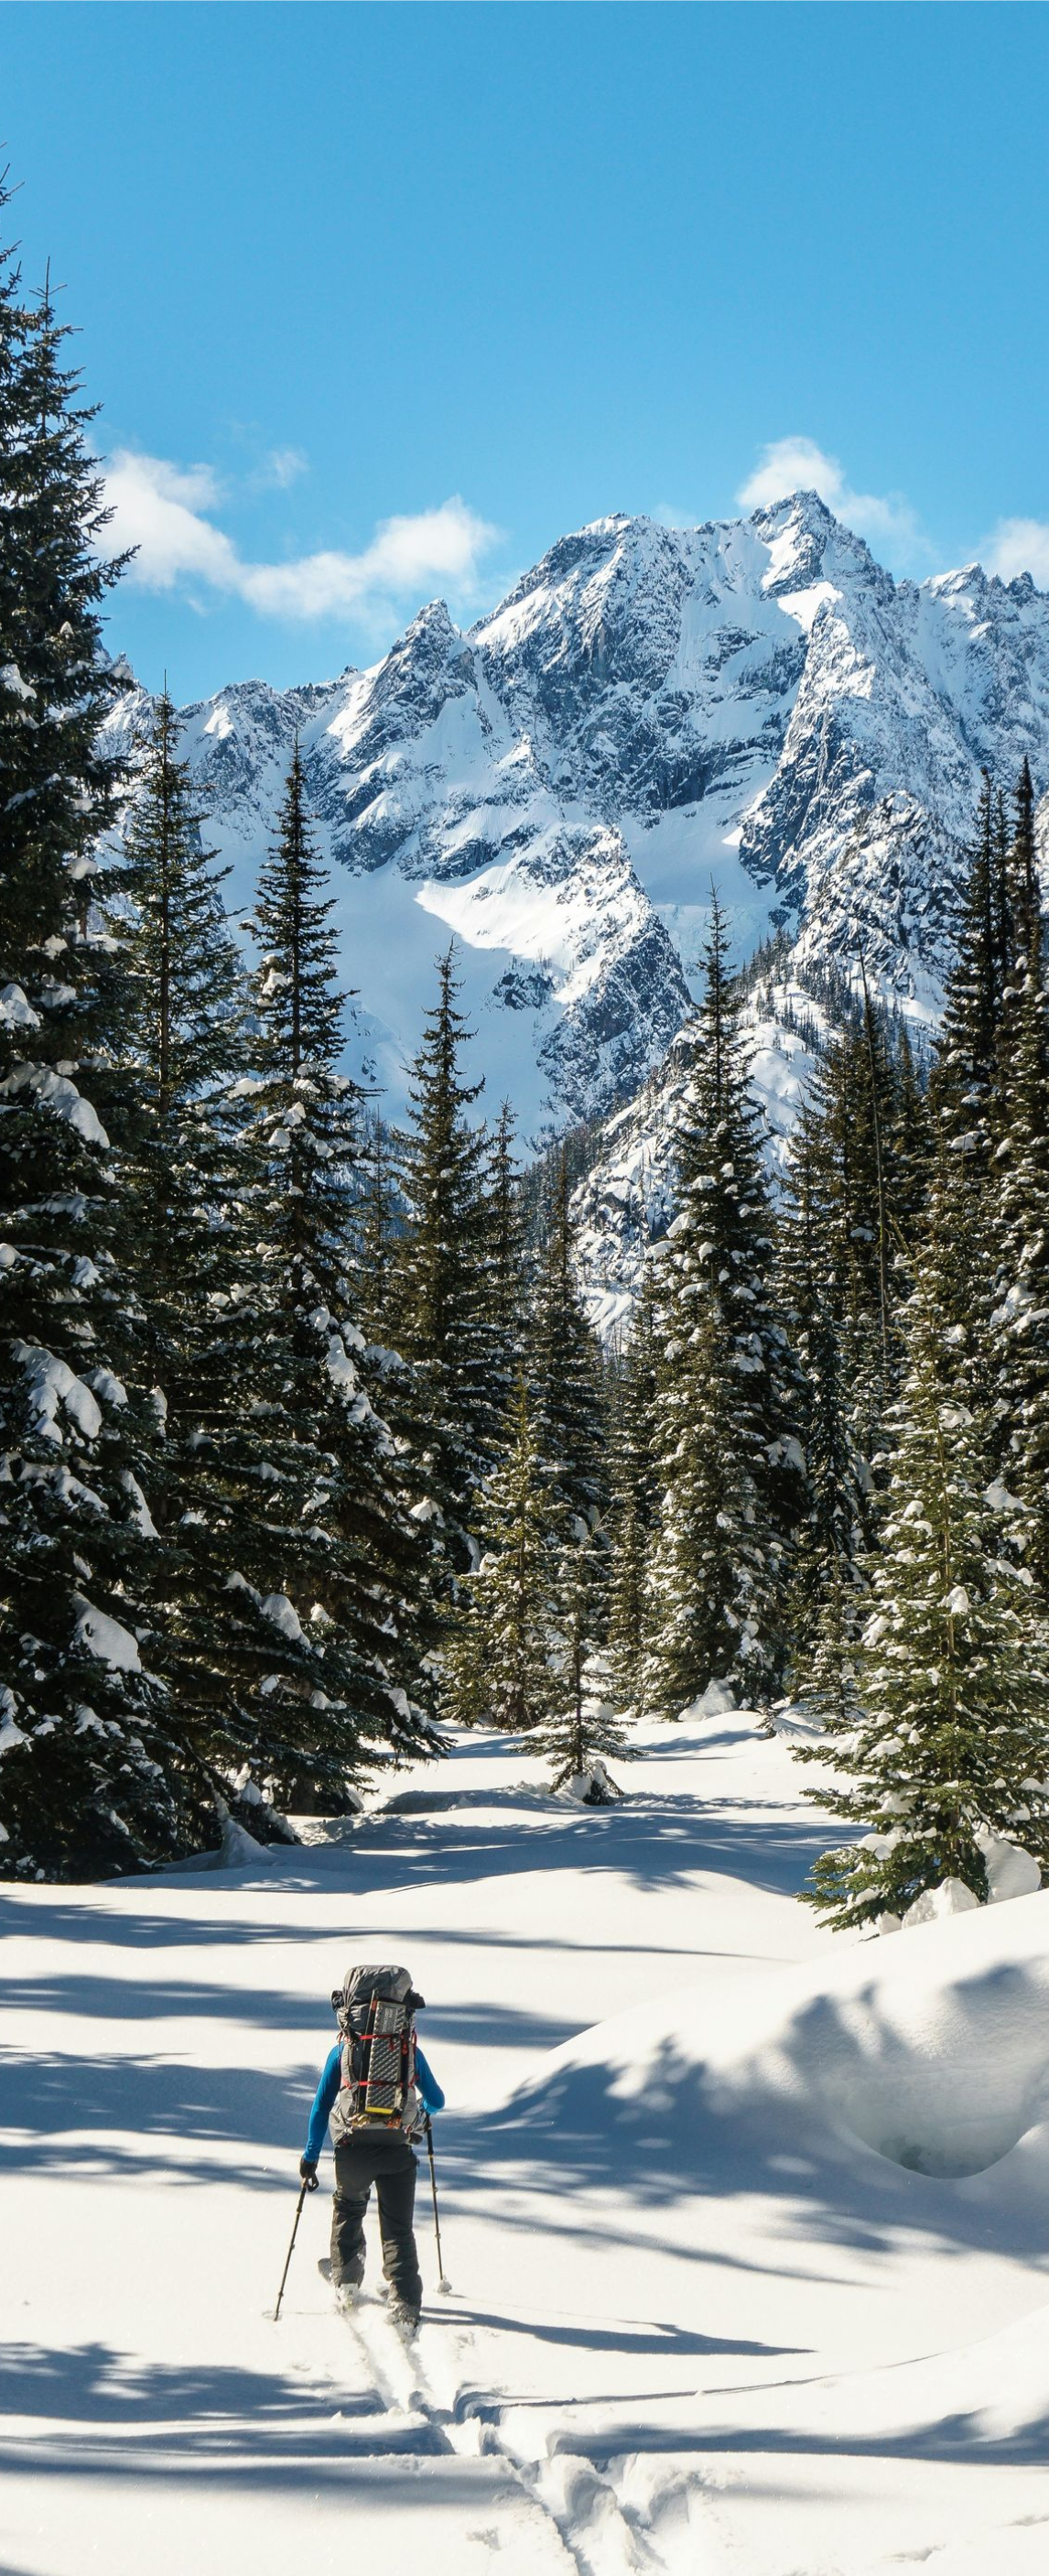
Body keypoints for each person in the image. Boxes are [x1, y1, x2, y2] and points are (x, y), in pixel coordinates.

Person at [299, 1962, 445, 2335]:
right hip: (398, 2148)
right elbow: (438, 2100)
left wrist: (310, 2157)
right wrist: (420, 2112)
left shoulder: (344, 2051)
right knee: (398, 2230)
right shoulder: (407, 2051)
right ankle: (406, 2303)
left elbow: (319, 2109)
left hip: (352, 2147)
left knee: (349, 2208)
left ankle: (346, 2280)